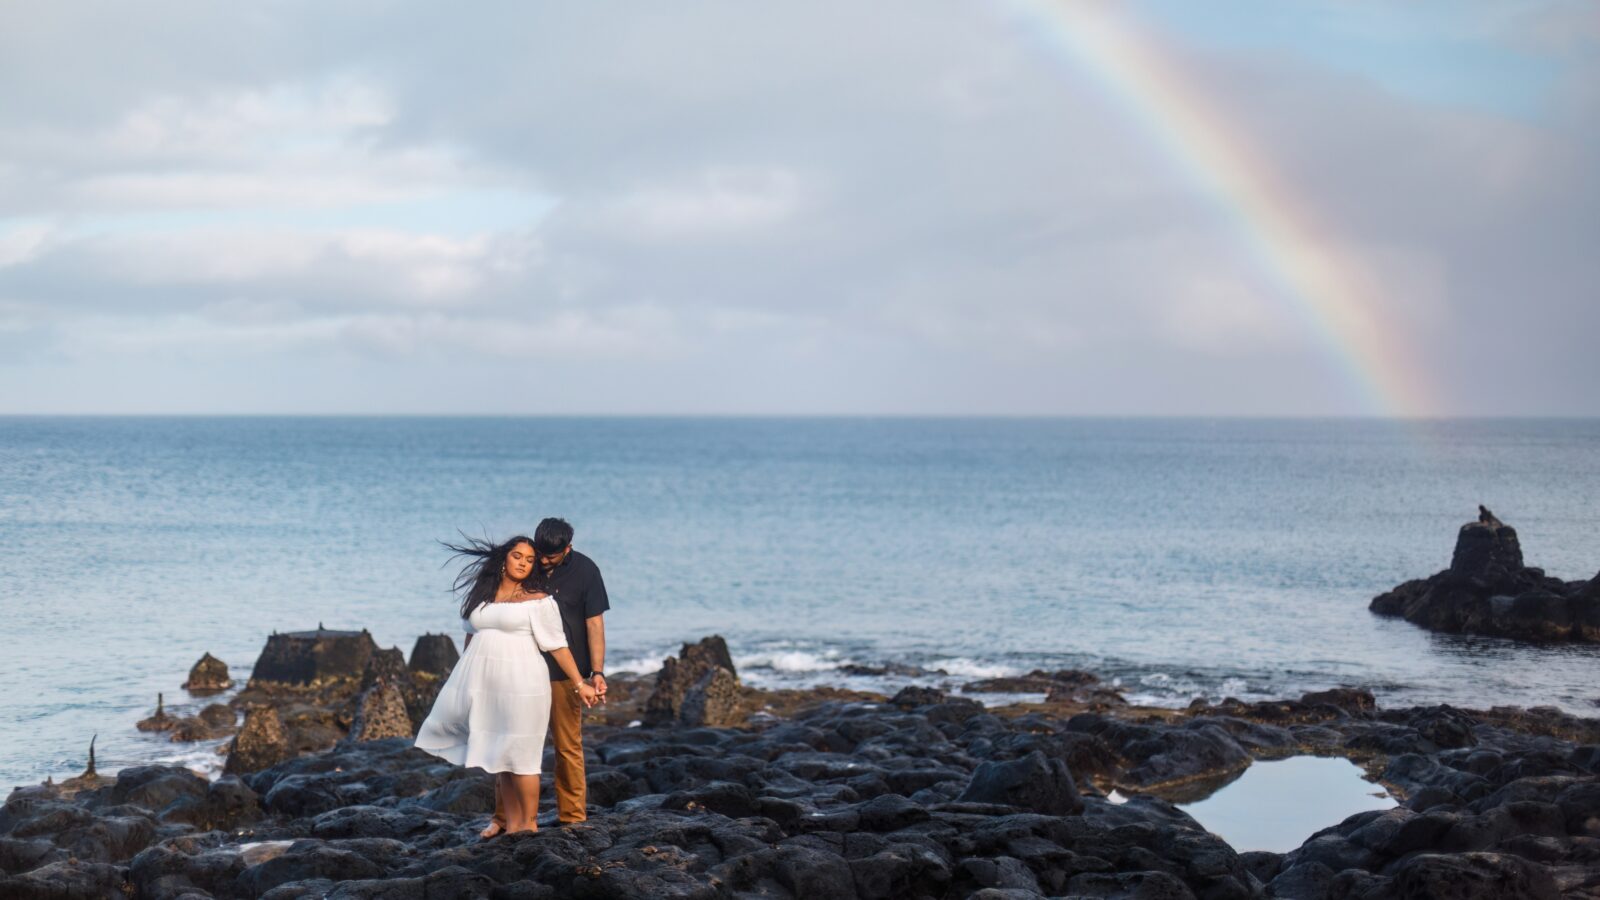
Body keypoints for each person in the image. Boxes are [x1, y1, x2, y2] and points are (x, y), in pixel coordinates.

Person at [413, 535, 598, 837]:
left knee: (523, 756)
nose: (524, 563)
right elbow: (471, 637)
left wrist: (580, 683)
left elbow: (558, 646)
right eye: (518, 556)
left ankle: (529, 824)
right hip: (488, 686)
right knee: (502, 755)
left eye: (529, 559)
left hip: (525, 683)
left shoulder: (538, 600)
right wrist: (462, 677)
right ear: (504, 558)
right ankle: (512, 826)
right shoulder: (481, 595)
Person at [528, 517, 610, 825]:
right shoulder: (526, 563)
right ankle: (514, 817)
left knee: (568, 746)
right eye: (541, 553)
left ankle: (573, 817)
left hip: (568, 673)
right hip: (524, 667)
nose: (544, 560)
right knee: (518, 744)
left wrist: (597, 672)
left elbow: (595, 624)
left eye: (552, 555)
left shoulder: (586, 571)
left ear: (568, 548)